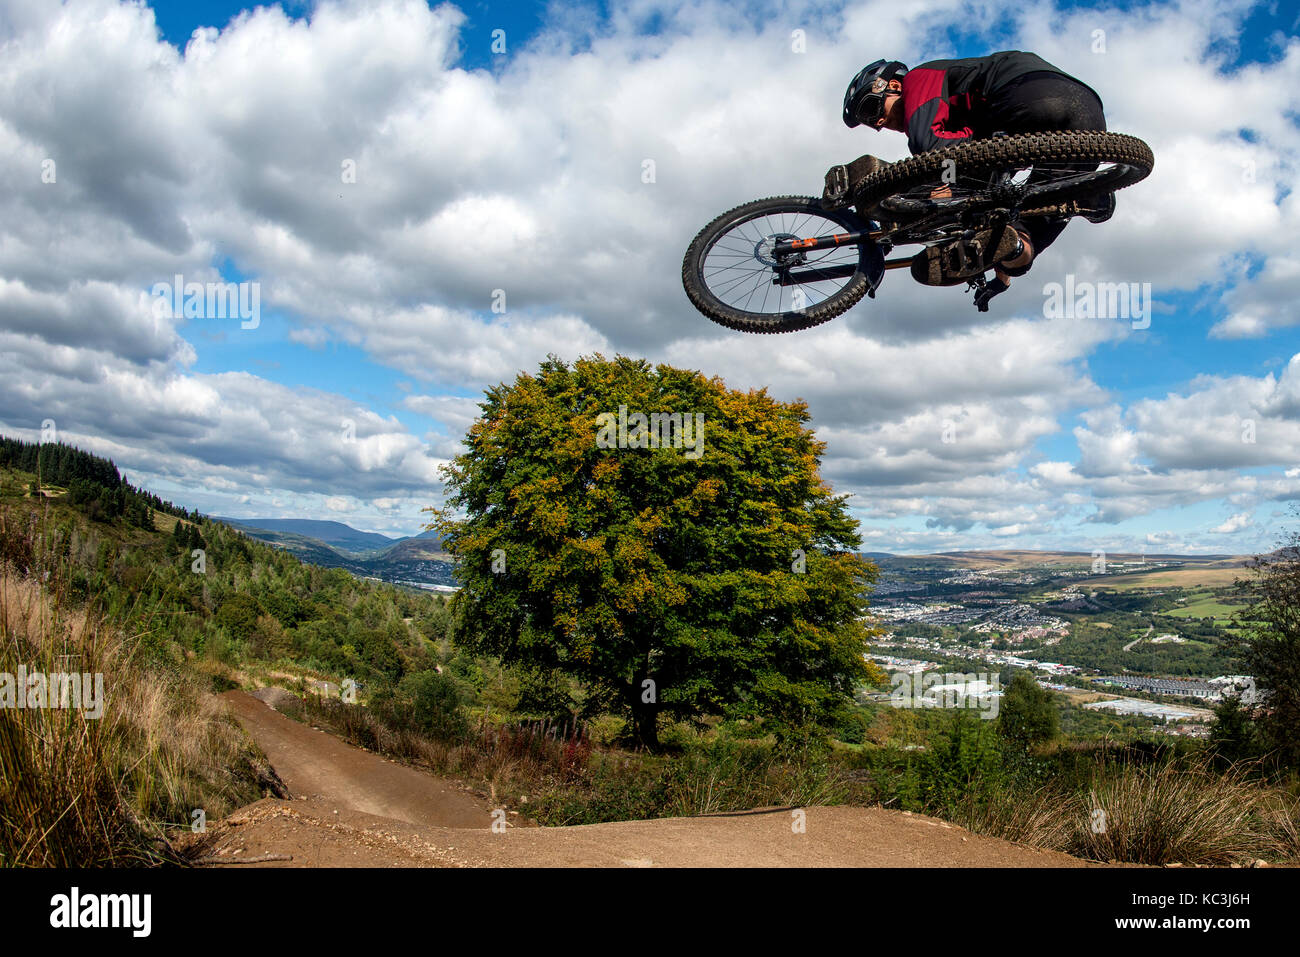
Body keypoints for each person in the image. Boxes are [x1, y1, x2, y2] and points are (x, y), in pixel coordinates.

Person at [842, 52, 1112, 303]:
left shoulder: (918, 78)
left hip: (1027, 94)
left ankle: (878, 184)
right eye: (869, 122)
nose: (876, 124)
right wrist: (1000, 279)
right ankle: (1015, 249)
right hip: (1090, 117)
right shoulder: (963, 121)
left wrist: (938, 191)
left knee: (938, 160)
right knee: (1026, 233)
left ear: (892, 86)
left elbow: (930, 146)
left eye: (870, 111)